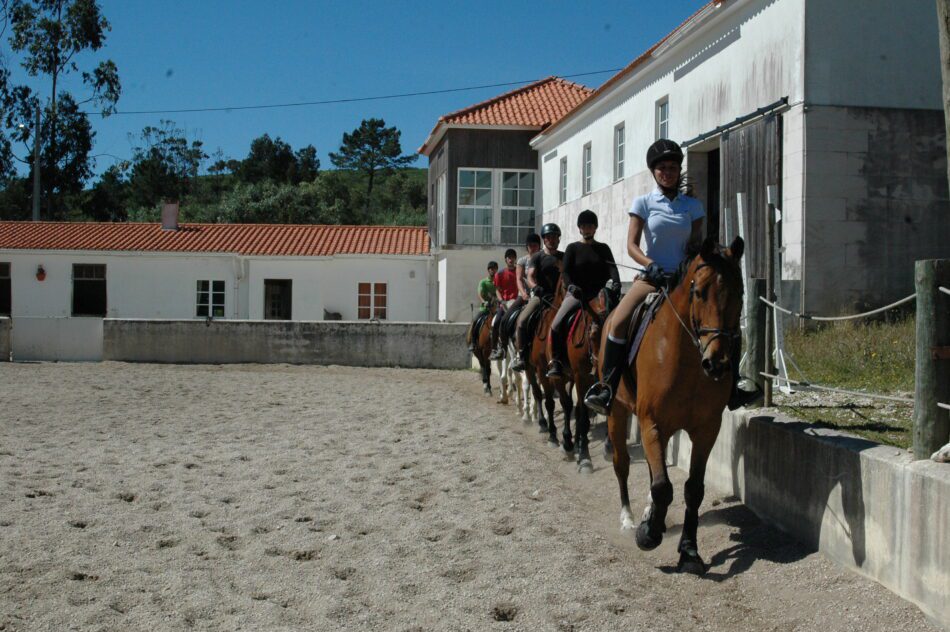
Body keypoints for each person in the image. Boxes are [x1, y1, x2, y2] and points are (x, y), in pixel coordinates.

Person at [584, 139, 759, 414]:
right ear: (654, 171)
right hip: (651, 278)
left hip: (686, 280)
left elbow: (697, 245)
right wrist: (649, 263)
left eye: (673, 167)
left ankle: (733, 386)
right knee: (617, 322)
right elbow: (631, 245)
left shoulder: (692, 206)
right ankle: (607, 387)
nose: (668, 172)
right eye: (662, 167)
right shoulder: (643, 202)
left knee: (725, 322)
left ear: (679, 170)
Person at [545, 209, 620, 378]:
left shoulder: (603, 248)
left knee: (622, 319)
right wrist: (571, 287)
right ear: (580, 228)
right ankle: (556, 362)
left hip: (599, 294)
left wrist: (616, 282)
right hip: (577, 294)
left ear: (595, 228)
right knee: (556, 324)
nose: (587, 229)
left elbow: (612, 268)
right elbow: (565, 272)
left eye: (591, 226)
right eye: (584, 226)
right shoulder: (572, 248)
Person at [511, 223, 563, 372]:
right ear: (544, 240)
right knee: (521, 321)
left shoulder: (563, 257)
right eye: (548, 237)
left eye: (554, 237)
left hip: (560, 298)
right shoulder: (538, 257)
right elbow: (530, 276)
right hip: (541, 297)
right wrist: (535, 287)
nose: (551, 240)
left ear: (558, 239)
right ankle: (521, 355)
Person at [490, 234, 541, 360]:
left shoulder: (544, 258)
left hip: (542, 295)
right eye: (530, 246)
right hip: (523, 296)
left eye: (535, 245)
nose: (533, 248)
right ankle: (501, 348)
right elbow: (519, 280)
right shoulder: (522, 262)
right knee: (502, 320)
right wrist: (523, 293)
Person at [488, 249, 519, 359]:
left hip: (517, 303)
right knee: (496, 323)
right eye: (509, 257)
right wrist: (501, 300)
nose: (511, 259)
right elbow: (497, 290)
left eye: (513, 257)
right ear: (506, 259)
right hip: (504, 304)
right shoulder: (499, 274)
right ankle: (495, 349)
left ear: (515, 259)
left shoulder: (519, 272)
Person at [467, 261, 498, 352]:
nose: (493, 270)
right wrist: (484, 302)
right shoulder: (483, 282)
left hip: (496, 309)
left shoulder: (498, 281)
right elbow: (480, 294)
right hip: (485, 309)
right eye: (491, 269)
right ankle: (473, 342)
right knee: (475, 321)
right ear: (488, 270)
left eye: (494, 268)